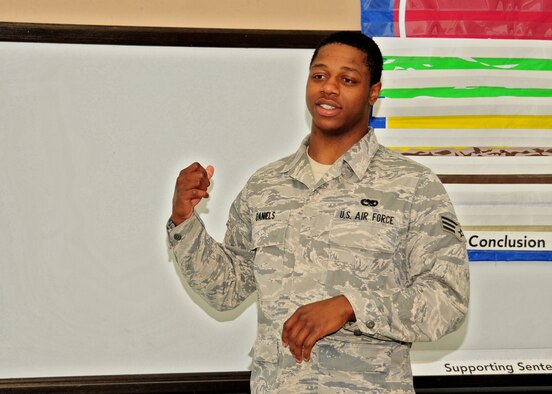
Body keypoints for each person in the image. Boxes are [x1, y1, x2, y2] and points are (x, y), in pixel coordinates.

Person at [167, 31, 470, 393]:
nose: (329, 88)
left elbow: (447, 301)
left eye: (348, 79)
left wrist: (351, 306)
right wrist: (185, 220)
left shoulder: (412, 186)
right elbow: (228, 288)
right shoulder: (266, 186)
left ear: (373, 92)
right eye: (319, 75)